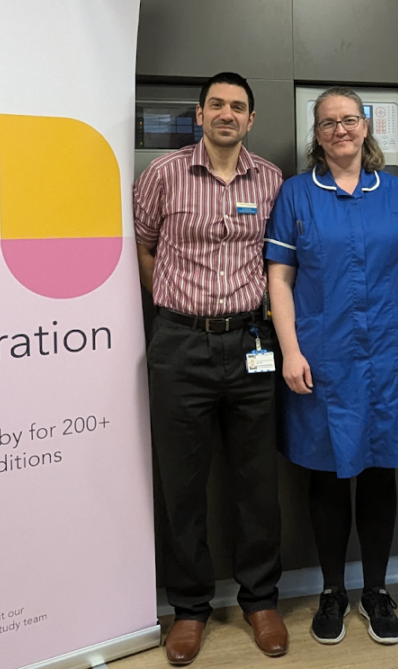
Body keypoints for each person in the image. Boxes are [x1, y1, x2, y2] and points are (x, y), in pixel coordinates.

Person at [264, 86, 398, 647]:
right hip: (322, 357)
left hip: (388, 353)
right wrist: (290, 350)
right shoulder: (296, 194)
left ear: (366, 127)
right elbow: (280, 278)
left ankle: (377, 591)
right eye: (328, 122)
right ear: (316, 135)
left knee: (381, 471)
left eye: (350, 120)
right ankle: (333, 591)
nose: (340, 129)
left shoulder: (397, 194)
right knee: (328, 474)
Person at [133, 72, 288, 666]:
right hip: (179, 345)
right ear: (199, 115)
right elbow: (144, 244)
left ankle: (261, 600)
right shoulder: (163, 173)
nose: (227, 114)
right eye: (217, 105)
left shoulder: (270, 180)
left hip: (251, 343)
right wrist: (175, 306)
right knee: (182, 484)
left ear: (251, 120)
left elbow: (277, 262)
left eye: (238, 107)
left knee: (257, 481)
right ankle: (190, 608)